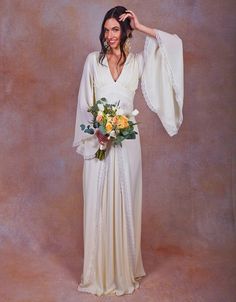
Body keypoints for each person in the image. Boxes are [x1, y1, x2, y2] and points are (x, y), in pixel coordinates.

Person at [72, 6, 184, 297]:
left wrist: (142, 25)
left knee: (125, 200)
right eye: (106, 29)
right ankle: (97, 271)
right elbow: (86, 104)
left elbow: (171, 44)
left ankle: (123, 269)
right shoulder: (91, 62)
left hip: (128, 141)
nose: (109, 35)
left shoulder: (137, 63)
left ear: (124, 32)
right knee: (97, 201)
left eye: (116, 29)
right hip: (100, 140)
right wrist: (98, 132)